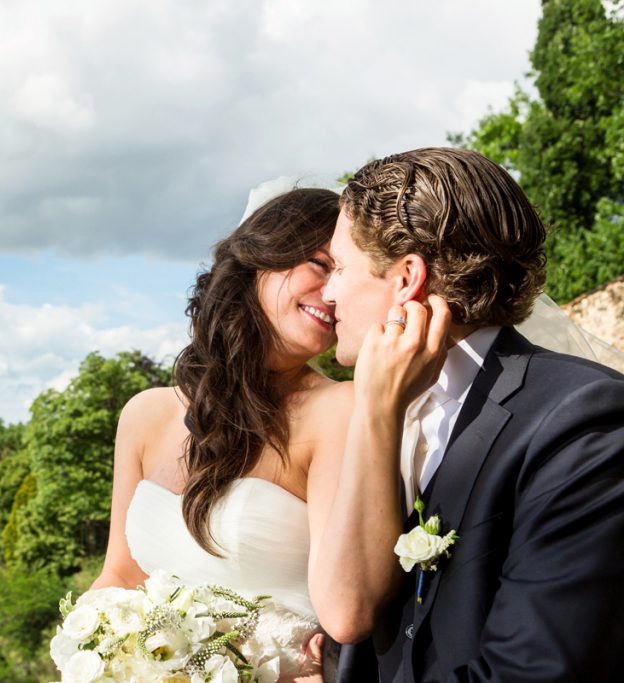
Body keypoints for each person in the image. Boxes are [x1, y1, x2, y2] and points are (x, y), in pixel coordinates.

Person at [89, 187, 448, 682]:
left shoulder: (340, 411)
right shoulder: (144, 415)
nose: (331, 293)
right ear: (262, 258)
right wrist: (89, 652)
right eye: (321, 265)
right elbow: (121, 576)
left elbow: (349, 612)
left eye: (343, 274)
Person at [325, 147, 624, 682]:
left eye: (340, 267)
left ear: (406, 278)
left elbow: (534, 668)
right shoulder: (384, 408)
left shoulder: (584, 417)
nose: (328, 294)